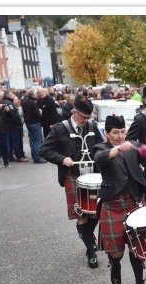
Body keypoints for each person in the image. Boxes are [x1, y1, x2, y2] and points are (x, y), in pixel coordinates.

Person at [92, 115, 146, 284]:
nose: (120, 136)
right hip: (112, 205)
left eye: (122, 132)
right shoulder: (101, 147)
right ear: (107, 133)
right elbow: (100, 158)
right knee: (117, 252)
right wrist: (118, 149)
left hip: (133, 203)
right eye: (115, 132)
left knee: (136, 249)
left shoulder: (134, 145)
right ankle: (115, 264)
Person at [40, 96, 104, 268]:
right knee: (82, 214)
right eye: (82, 117)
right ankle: (91, 251)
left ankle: (87, 235)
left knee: (95, 212)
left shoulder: (92, 126)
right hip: (73, 177)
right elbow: (44, 150)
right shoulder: (60, 129)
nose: (85, 120)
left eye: (88, 117)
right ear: (73, 112)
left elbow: (100, 146)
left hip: (93, 177)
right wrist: (62, 159)